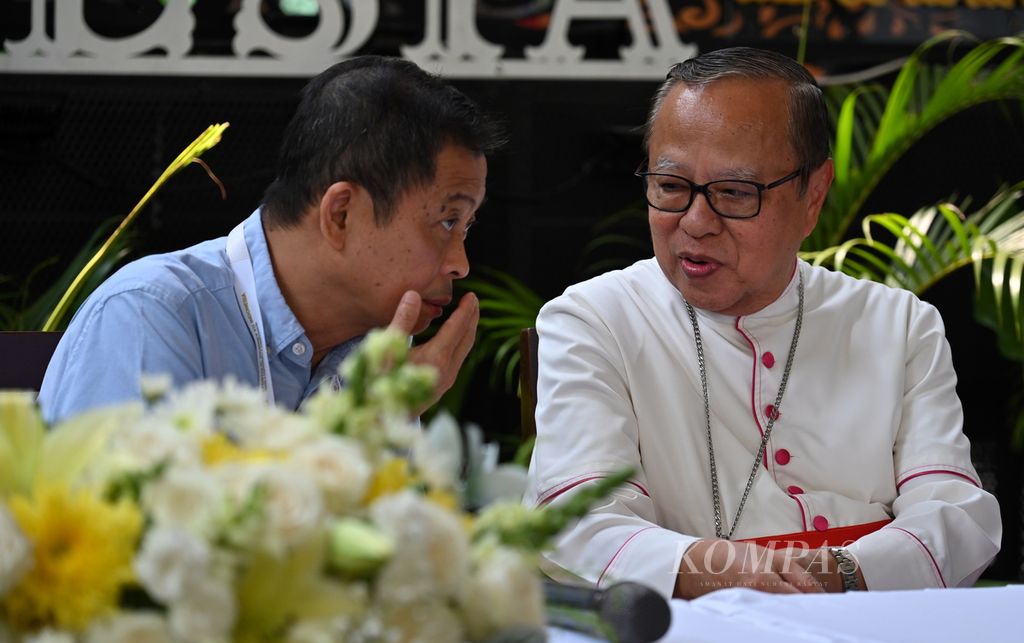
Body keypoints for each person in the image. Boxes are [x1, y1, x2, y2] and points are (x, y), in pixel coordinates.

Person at [524, 47, 1001, 599]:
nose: (696, 223)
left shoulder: (898, 325)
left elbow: (956, 516)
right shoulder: (595, 320)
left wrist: (836, 575)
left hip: (878, 622)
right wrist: (731, 571)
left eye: (734, 193)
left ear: (813, 195)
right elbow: (575, 525)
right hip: (692, 636)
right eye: (671, 186)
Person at [39, 56, 505, 423]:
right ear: (341, 214)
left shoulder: (376, 349)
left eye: (468, 227)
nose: (461, 264)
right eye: (447, 221)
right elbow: (144, 540)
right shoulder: (153, 313)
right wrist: (367, 425)